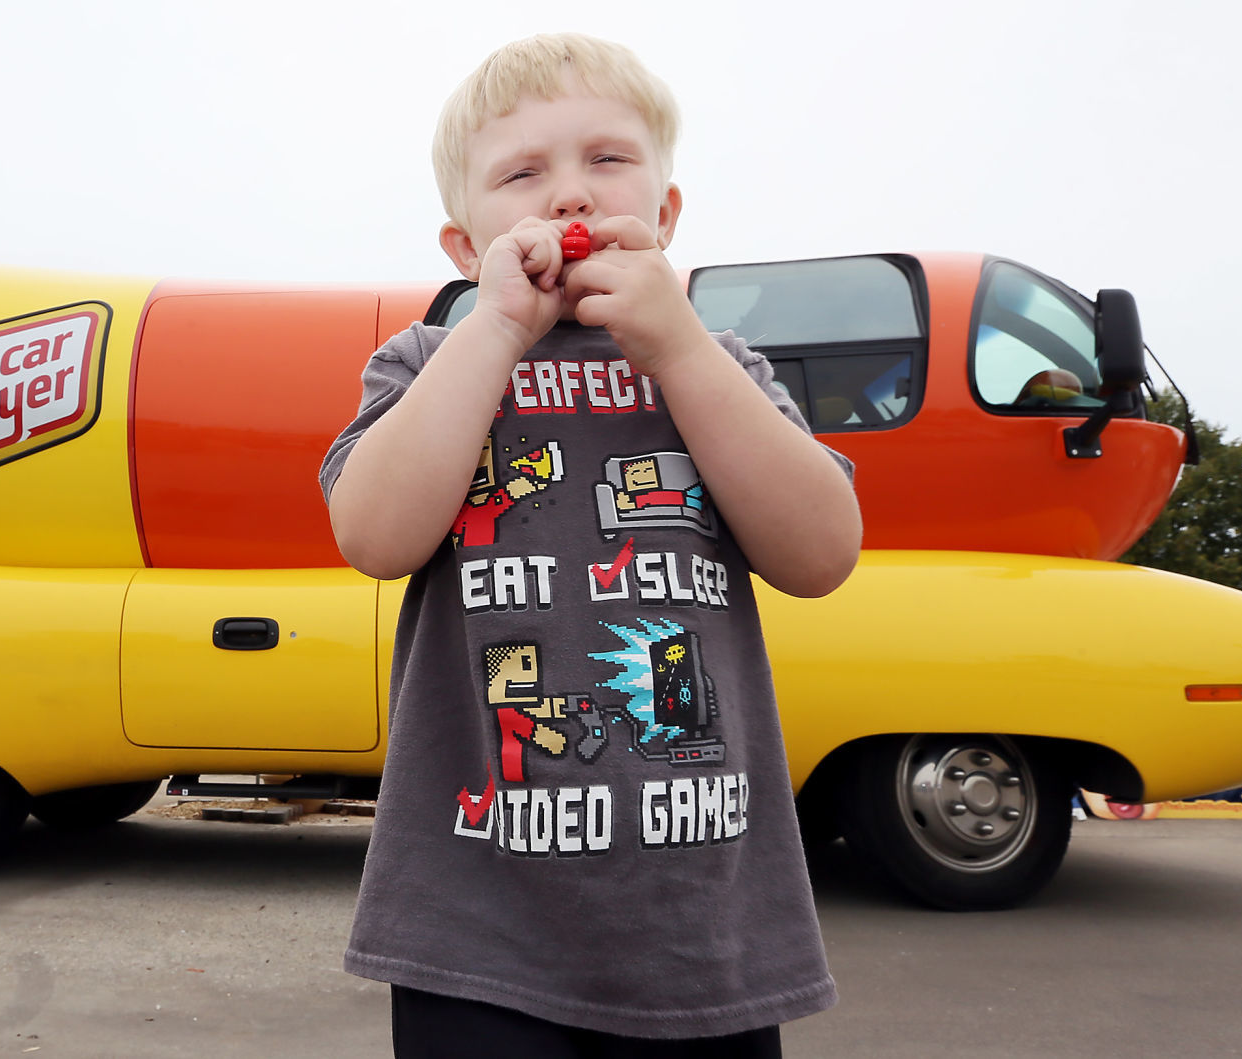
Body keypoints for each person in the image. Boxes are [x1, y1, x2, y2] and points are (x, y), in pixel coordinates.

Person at [318, 32, 862, 1057]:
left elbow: (821, 552)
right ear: (458, 244)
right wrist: (491, 331)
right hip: (472, 923)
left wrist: (678, 350)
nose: (567, 196)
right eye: (521, 174)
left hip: (704, 928)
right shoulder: (427, 361)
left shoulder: (716, 364)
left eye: (606, 161)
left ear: (662, 214)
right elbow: (374, 535)